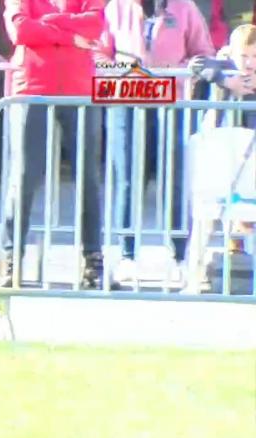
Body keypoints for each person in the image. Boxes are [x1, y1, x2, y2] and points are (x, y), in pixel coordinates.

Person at [99, 0, 214, 286]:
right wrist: (119, 70)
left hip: (172, 104)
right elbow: (97, 54)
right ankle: (126, 256)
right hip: (125, 101)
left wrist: (178, 72)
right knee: (127, 179)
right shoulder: (116, 8)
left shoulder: (184, 7)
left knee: (173, 179)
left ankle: (178, 258)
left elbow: (204, 54)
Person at [1, 0, 109, 289]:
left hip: (79, 88)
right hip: (32, 87)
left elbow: (95, 24)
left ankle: (93, 259)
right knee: (24, 176)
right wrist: (69, 36)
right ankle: (11, 258)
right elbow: (20, 31)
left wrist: (49, 23)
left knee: (88, 177)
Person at [189, 23, 256, 257]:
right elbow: (196, 64)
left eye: (254, 56)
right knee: (206, 216)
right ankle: (195, 275)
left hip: (250, 158)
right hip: (220, 154)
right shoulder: (225, 68)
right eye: (243, 56)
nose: (248, 63)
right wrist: (226, 81)